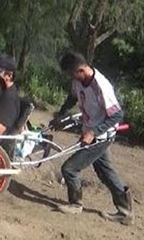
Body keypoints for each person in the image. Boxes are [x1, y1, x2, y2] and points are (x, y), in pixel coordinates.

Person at [49, 51, 133, 225]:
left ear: (80, 70)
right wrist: (61, 114)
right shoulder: (78, 80)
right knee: (105, 172)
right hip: (91, 131)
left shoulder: (101, 86)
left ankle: (76, 204)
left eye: (72, 74)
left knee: (70, 168)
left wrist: (93, 132)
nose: (71, 78)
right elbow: (73, 97)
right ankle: (125, 212)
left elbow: (117, 115)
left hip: (101, 136)